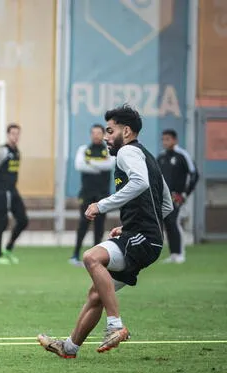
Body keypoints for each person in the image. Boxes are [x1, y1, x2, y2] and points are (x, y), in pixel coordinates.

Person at [38, 104, 173, 358]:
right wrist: (132, 224)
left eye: (111, 131)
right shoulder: (147, 156)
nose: (108, 137)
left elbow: (140, 183)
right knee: (96, 292)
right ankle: (69, 347)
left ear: (127, 131)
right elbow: (166, 203)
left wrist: (101, 205)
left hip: (141, 239)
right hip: (146, 238)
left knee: (91, 257)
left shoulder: (127, 153)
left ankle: (115, 325)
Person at [69, 124, 115, 266]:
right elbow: (79, 165)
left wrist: (90, 163)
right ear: (90, 135)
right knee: (83, 224)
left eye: (99, 133)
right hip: (87, 194)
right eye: (93, 133)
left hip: (102, 195)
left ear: (103, 135)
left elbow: (109, 165)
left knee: (99, 226)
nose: (96, 135)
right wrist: (99, 165)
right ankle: (75, 255)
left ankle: (96, 256)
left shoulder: (109, 149)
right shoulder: (84, 149)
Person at [0, 123, 29, 265]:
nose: (15, 137)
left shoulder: (17, 152)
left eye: (18, 134)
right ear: (8, 135)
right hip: (0, 191)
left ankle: (8, 248)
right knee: (2, 221)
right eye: (13, 134)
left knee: (23, 220)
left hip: (12, 190)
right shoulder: (2, 151)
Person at [157, 129, 198, 264]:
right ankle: (173, 254)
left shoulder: (182, 155)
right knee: (168, 223)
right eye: (163, 139)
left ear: (175, 140)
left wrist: (185, 194)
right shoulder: (161, 157)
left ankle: (180, 253)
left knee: (175, 222)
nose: (165, 142)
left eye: (168, 139)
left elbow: (194, 175)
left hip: (177, 197)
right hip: (164, 197)